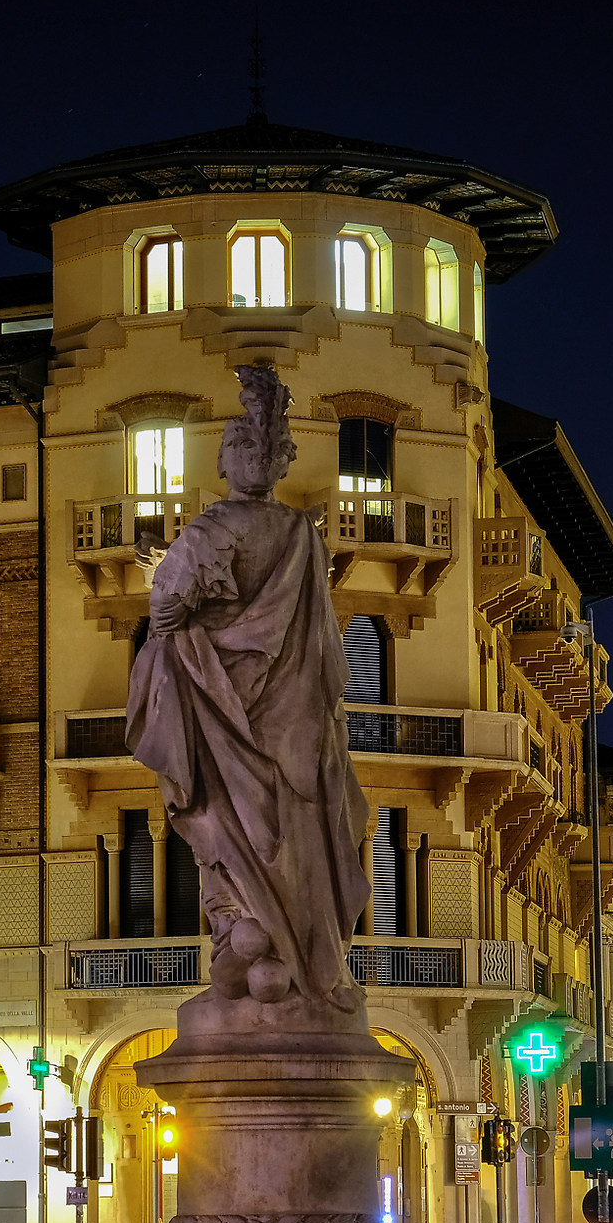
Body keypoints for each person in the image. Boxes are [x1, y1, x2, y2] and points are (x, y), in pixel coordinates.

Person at [128, 363, 368, 1012]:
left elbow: (168, 611)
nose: (252, 460)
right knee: (304, 835)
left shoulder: (210, 533)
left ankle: (264, 946)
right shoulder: (303, 537)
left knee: (234, 840)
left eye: (256, 450)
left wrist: (168, 625)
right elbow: (326, 643)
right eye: (248, 448)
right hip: (297, 719)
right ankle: (313, 964)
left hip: (225, 719)